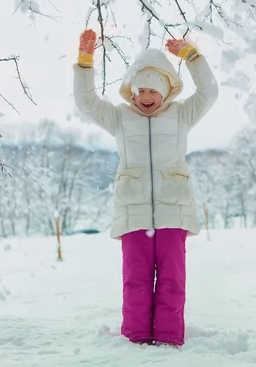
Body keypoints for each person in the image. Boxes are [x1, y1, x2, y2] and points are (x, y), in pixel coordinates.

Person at [73, 29, 218, 347]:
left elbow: (208, 92)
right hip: (133, 213)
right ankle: (136, 338)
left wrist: (191, 56)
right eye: (141, 90)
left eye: (154, 89)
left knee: (172, 280)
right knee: (135, 281)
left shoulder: (182, 114)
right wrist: (85, 62)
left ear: (166, 88)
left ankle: (168, 337)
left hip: (173, 211)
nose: (147, 96)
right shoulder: (120, 117)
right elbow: (86, 103)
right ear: (132, 91)